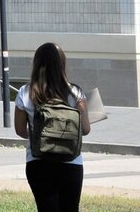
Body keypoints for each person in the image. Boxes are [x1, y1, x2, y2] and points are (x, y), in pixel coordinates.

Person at [13, 42, 92, 212]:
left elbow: (20, 130)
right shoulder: (75, 93)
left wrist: (41, 135)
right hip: (71, 161)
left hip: (38, 161)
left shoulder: (25, 92)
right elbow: (85, 129)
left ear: (36, 63)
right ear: (62, 64)